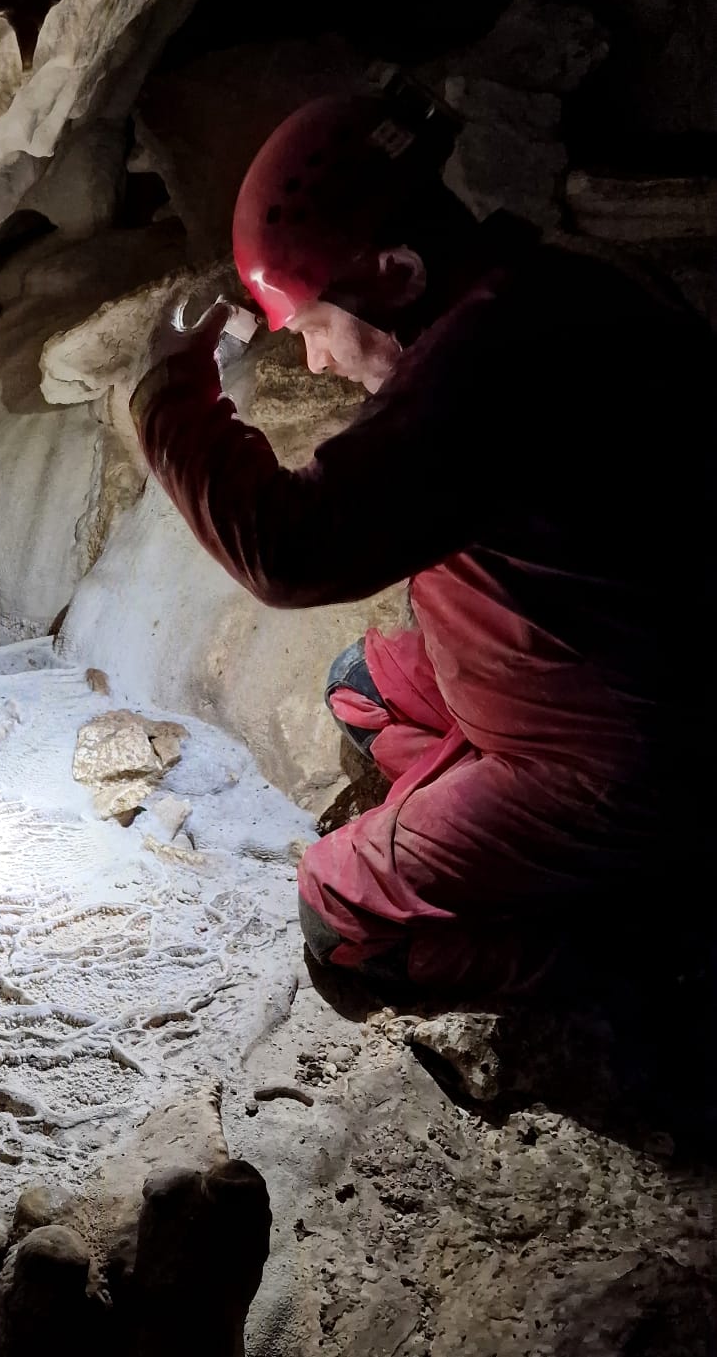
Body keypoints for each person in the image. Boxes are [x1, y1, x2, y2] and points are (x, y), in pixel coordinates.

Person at [130, 87, 713, 1001]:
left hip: (620, 753)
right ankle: (509, 836)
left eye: (316, 327)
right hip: (585, 655)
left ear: (397, 273)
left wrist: (171, 402)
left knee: (336, 918)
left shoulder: (483, 368)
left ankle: (640, 950)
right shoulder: (544, 283)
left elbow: (290, 551)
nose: (316, 361)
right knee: (359, 690)